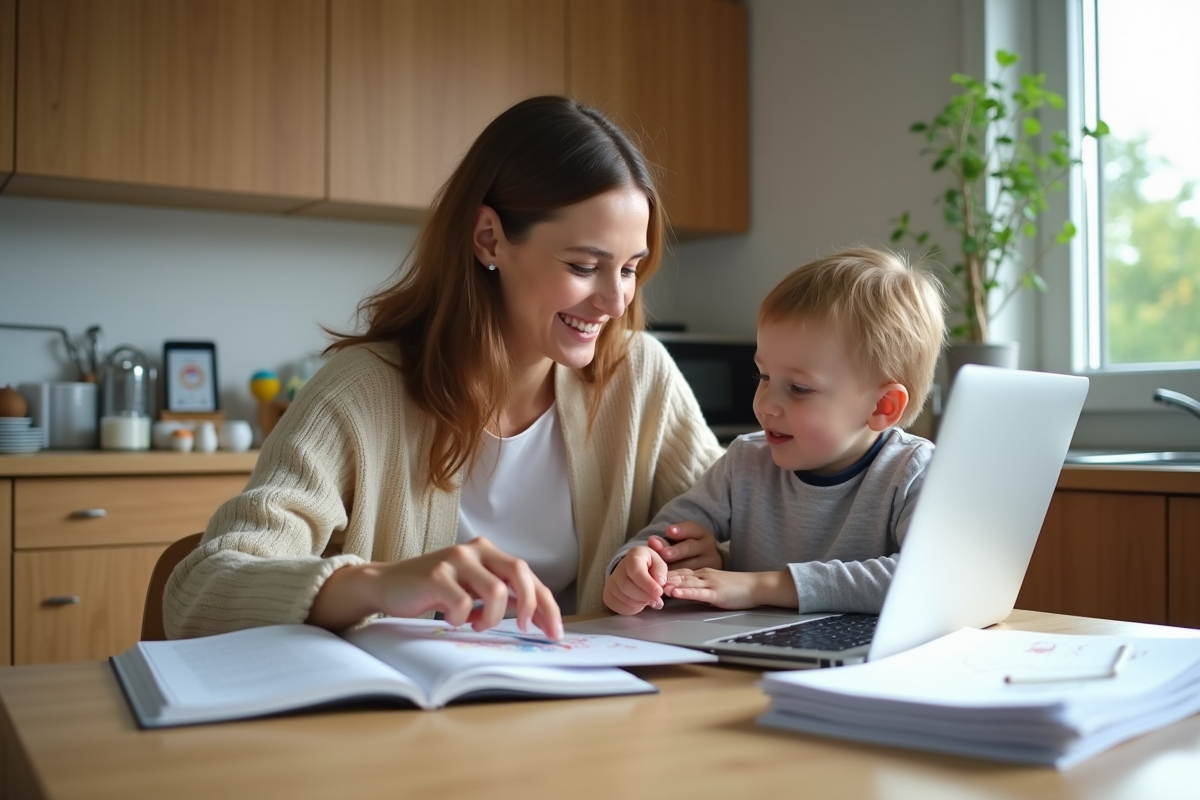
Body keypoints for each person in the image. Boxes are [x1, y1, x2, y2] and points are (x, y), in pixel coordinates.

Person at [164, 96, 724, 641]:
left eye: (629, 269)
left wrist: (710, 551)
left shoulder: (639, 374)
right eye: (584, 266)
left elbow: (757, 519)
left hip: (589, 711)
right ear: (489, 239)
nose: (615, 301)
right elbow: (199, 590)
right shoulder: (361, 393)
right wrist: (378, 584)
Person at [603, 247, 945, 616]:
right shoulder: (745, 462)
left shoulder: (913, 471)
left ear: (882, 407)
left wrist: (761, 586)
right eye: (764, 376)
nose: (764, 404)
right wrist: (634, 567)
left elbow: (931, 577)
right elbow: (662, 537)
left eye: (798, 388)